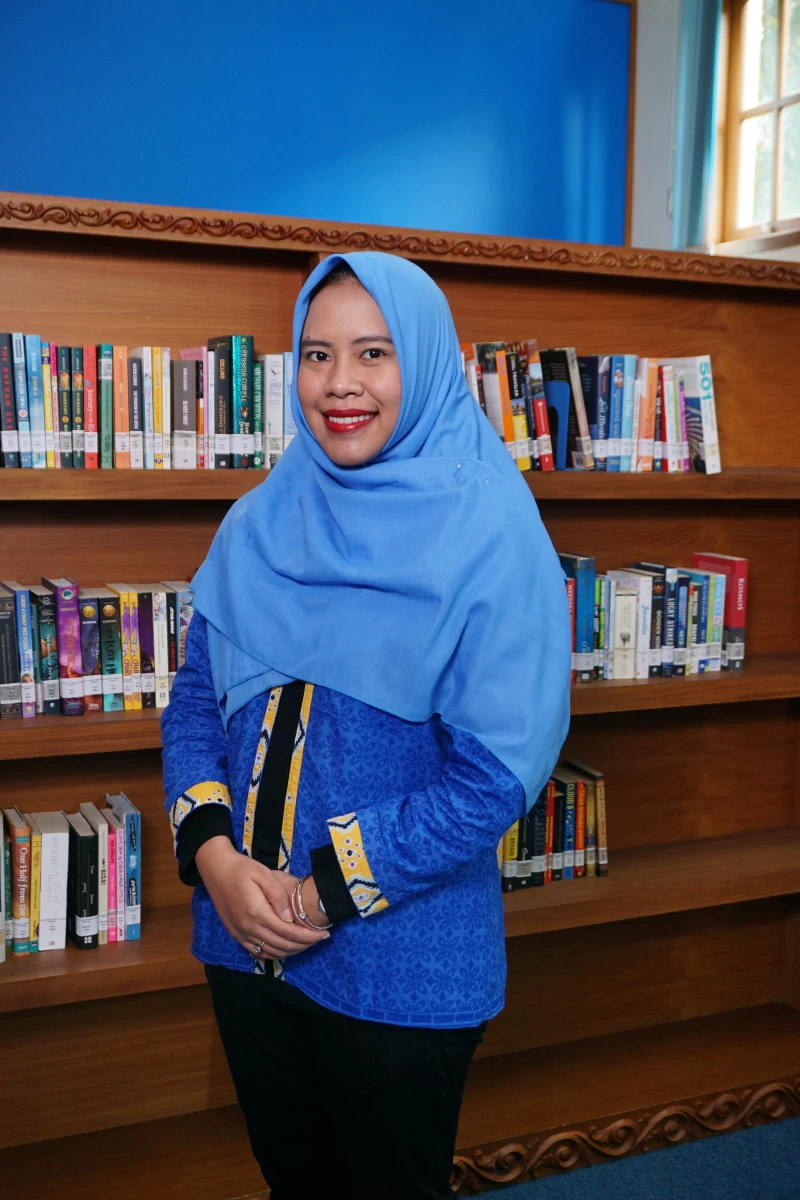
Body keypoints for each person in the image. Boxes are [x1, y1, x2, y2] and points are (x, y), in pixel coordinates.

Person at [161, 251, 571, 1200]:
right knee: (293, 1182)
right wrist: (216, 861)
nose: (340, 383)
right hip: (242, 942)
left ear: (423, 364)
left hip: (402, 966)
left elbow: (494, 777)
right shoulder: (258, 520)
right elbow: (194, 703)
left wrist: (314, 898)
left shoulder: (492, 536)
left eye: (373, 353)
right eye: (317, 355)